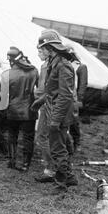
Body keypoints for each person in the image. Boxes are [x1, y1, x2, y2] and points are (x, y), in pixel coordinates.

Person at [33, 29, 78, 193]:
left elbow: (66, 96)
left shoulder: (63, 65)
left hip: (59, 114)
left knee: (58, 149)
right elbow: (53, 91)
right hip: (54, 110)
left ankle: (61, 183)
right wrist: (40, 101)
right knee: (57, 147)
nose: (41, 51)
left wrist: (55, 120)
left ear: (49, 47)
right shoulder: (55, 62)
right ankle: (70, 177)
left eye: (42, 48)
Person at [5, 46, 38, 171]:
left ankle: (12, 161)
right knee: (28, 138)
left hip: (13, 109)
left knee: (12, 136)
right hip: (30, 110)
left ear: (11, 60)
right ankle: (25, 165)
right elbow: (39, 89)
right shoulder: (34, 70)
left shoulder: (8, 73)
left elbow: (4, 93)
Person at [32, 42, 55, 180]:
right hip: (48, 102)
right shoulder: (47, 64)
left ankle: (50, 167)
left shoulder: (47, 65)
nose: (39, 54)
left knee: (42, 136)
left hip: (47, 103)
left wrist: (36, 97)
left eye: (41, 51)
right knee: (47, 136)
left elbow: (43, 87)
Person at [65, 45, 88, 154]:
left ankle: (76, 142)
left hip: (74, 98)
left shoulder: (80, 67)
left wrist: (80, 99)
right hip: (64, 96)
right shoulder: (64, 65)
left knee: (74, 121)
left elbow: (83, 84)